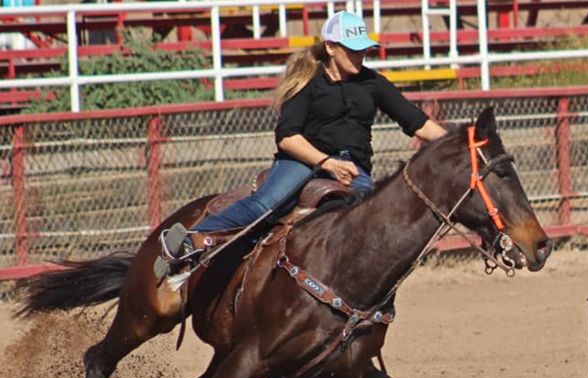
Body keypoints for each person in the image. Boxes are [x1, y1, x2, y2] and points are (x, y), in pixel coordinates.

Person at [157, 11, 447, 275]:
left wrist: (459, 142)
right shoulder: (308, 81)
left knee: (369, 223)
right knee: (267, 204)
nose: (360, 56)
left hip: (353, 168)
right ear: (331, 48)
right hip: (302, 162)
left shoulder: (374, 83)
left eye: (364, 50)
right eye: (353, 50)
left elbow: (417, 122)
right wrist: (328, 162)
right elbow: (287, 137)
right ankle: (192, 238)